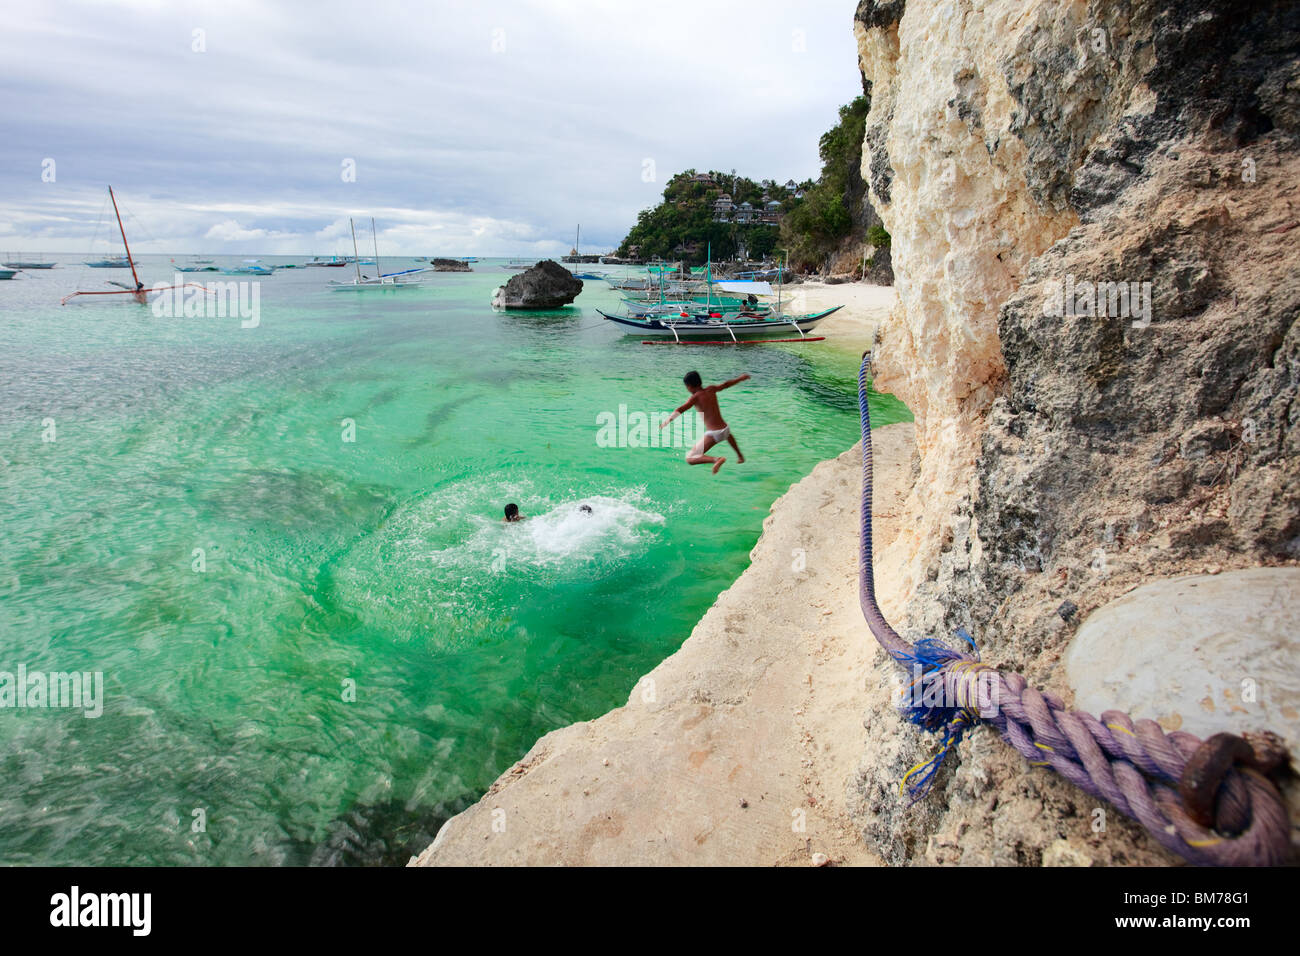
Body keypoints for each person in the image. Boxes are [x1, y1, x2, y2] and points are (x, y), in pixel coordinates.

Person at [660, 370, 749, 474]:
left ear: (689, 386)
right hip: (725, 429)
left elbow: (681, 409)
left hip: (714, 434)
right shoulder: (711, 389)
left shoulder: (695, 397)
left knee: (690, 458)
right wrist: (740, 378)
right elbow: (726, 385)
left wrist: (667, 421)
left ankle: (716, 460)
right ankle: (740, 456)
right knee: (727, 434)